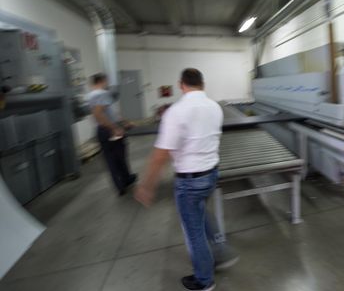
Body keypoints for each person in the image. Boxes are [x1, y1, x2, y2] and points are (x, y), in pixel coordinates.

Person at [134, 68, 237, 291]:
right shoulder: (215, 107)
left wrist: (147, 185)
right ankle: (221, 253)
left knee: (193, 232)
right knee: (201, 213)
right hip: (211, 174)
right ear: (203, 84)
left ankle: (204, 280)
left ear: (181, 85)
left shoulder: (176, 112)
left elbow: (160, 154)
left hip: (190, 181)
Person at [87, 73, 136, 195]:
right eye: (106, 81)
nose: (107, 83)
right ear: (102, 81)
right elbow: (99, 114)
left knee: (111, 159)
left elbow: (111, 113)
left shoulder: (90, 95)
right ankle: (125, 180)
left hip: (101, 130)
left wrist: (124, 122)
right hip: (109, 130)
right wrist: (114, 128)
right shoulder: (102, 94)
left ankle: (122, 183)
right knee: (120, 156)